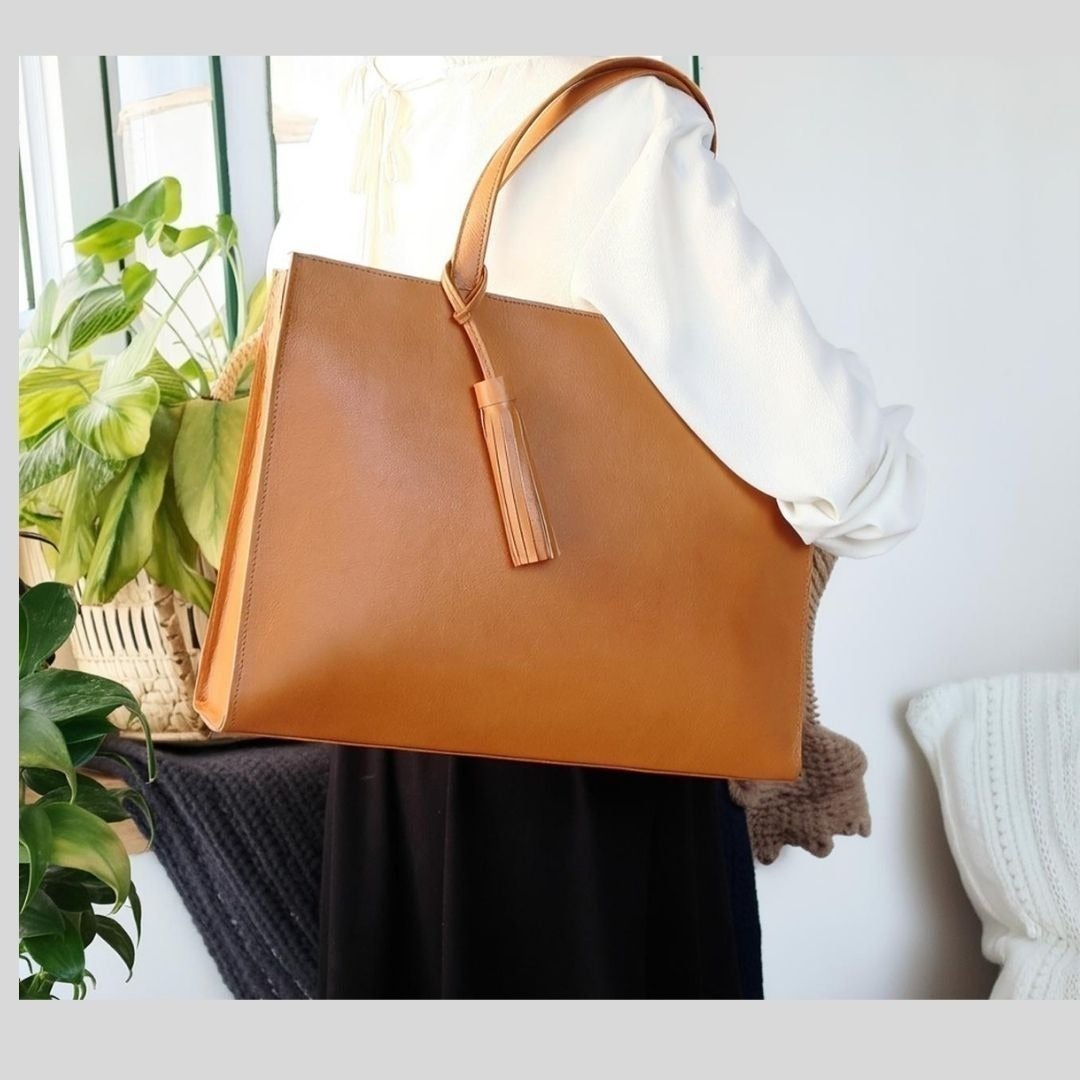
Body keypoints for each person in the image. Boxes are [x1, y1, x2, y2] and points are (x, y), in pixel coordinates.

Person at [267, 55, 926, 999]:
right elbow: (837, 459)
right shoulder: (617, 119)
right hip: (598, 750)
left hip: (384, 763)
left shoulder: (355, 113)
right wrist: (889, 472)